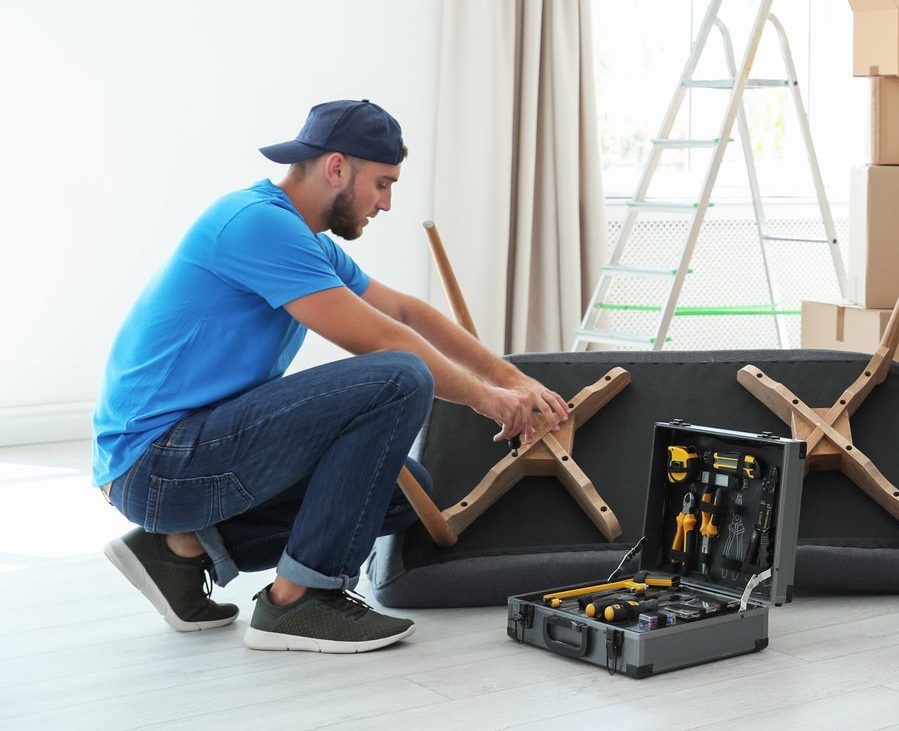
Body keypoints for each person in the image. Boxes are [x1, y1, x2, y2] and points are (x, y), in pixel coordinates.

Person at [93, 99, 570, 653]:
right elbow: (387, 343)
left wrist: (513, 379)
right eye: (383, 184)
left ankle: (178, 552)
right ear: (338, 168)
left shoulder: (307, 241)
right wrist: (487, 400)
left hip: (183, 454)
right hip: (158, 461)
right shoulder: (257, 225)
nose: (386, 204)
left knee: (399, 492)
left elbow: (408, 313)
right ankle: (300, 601)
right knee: (398, 377)